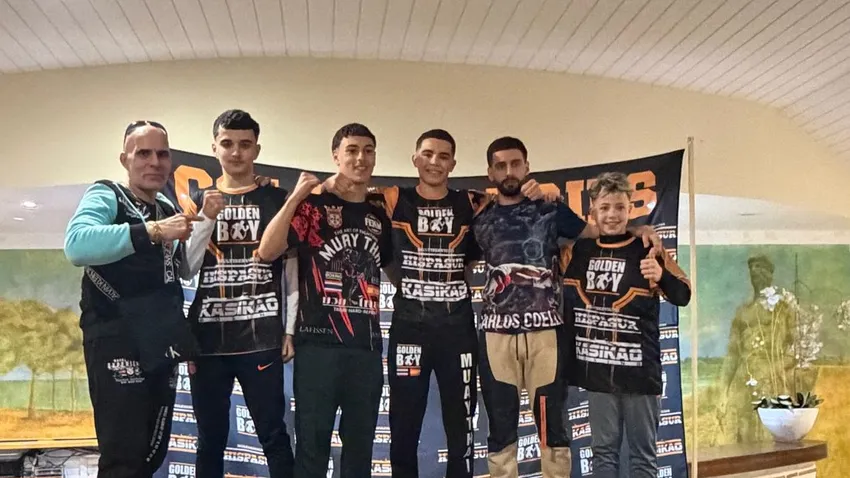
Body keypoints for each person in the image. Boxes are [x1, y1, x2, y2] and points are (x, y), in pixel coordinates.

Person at [323, 129, 553, 478]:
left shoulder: (474, 203)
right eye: (428, 155)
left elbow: (509, 203)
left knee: (461, 423)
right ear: (415, 159)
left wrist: (547, 193)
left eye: (443, 156)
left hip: (457, 330)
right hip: (409, 328)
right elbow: (345, 192)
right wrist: (321, 185)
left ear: (453, 164)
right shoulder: (391, 199)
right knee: (404, 422)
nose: (435, 162)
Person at [471, 137, 661, 478]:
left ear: (527, 167)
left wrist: (638, 229)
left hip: (545, 334)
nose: (509, 171)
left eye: (515, 163)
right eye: (501, 165)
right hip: (496, 335)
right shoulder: (479, 216)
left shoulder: (550, 209)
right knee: (500, 426)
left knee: (552, 428)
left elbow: (598, 232)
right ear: (490, 173)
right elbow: (457, 258)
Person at [257, 123, 398, 478]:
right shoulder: (313, 206)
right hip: (318, 346)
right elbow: (267, 251)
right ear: (336, 156)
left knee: (359, 453)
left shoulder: (378, 216)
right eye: (352, 150)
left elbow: (395, 271)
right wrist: (295, 197)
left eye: (368, 150)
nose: (361, 158)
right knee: (311, 450)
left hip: (365, 349)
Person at [64, 121, 199, 478]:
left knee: (150, 456)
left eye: (162, 154)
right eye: (143, 153)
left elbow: (179, 273)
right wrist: (152, 231)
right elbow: (76, 245)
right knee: (123, 457)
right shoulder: (107, 194)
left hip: (159, 344)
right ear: (125, 159)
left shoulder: (166, 206)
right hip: (116, 339)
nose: (154, 162)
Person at [181, 110, 296, 478]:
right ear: (214, 148)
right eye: (227, 143)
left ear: (256, 149)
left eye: (245, 144)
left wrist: (289, 329)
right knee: (209, 439)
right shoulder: (197, 199)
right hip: (208, 341)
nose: (236, 152)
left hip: (260, 337)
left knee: (274, 436)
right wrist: (207, 218)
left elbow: (291, 267)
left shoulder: (276, 199)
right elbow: (187, 268)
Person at [562, 172, 690, 478]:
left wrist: (661, 276)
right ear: (592, 210)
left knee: (643, 456)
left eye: (619, 207)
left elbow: (683, 295)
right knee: (603, 454)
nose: (612, 215)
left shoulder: (647, 247)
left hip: (640, 374)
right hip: (597, 373)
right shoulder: (577, 251)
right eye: (605, 207)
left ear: (630, 209)